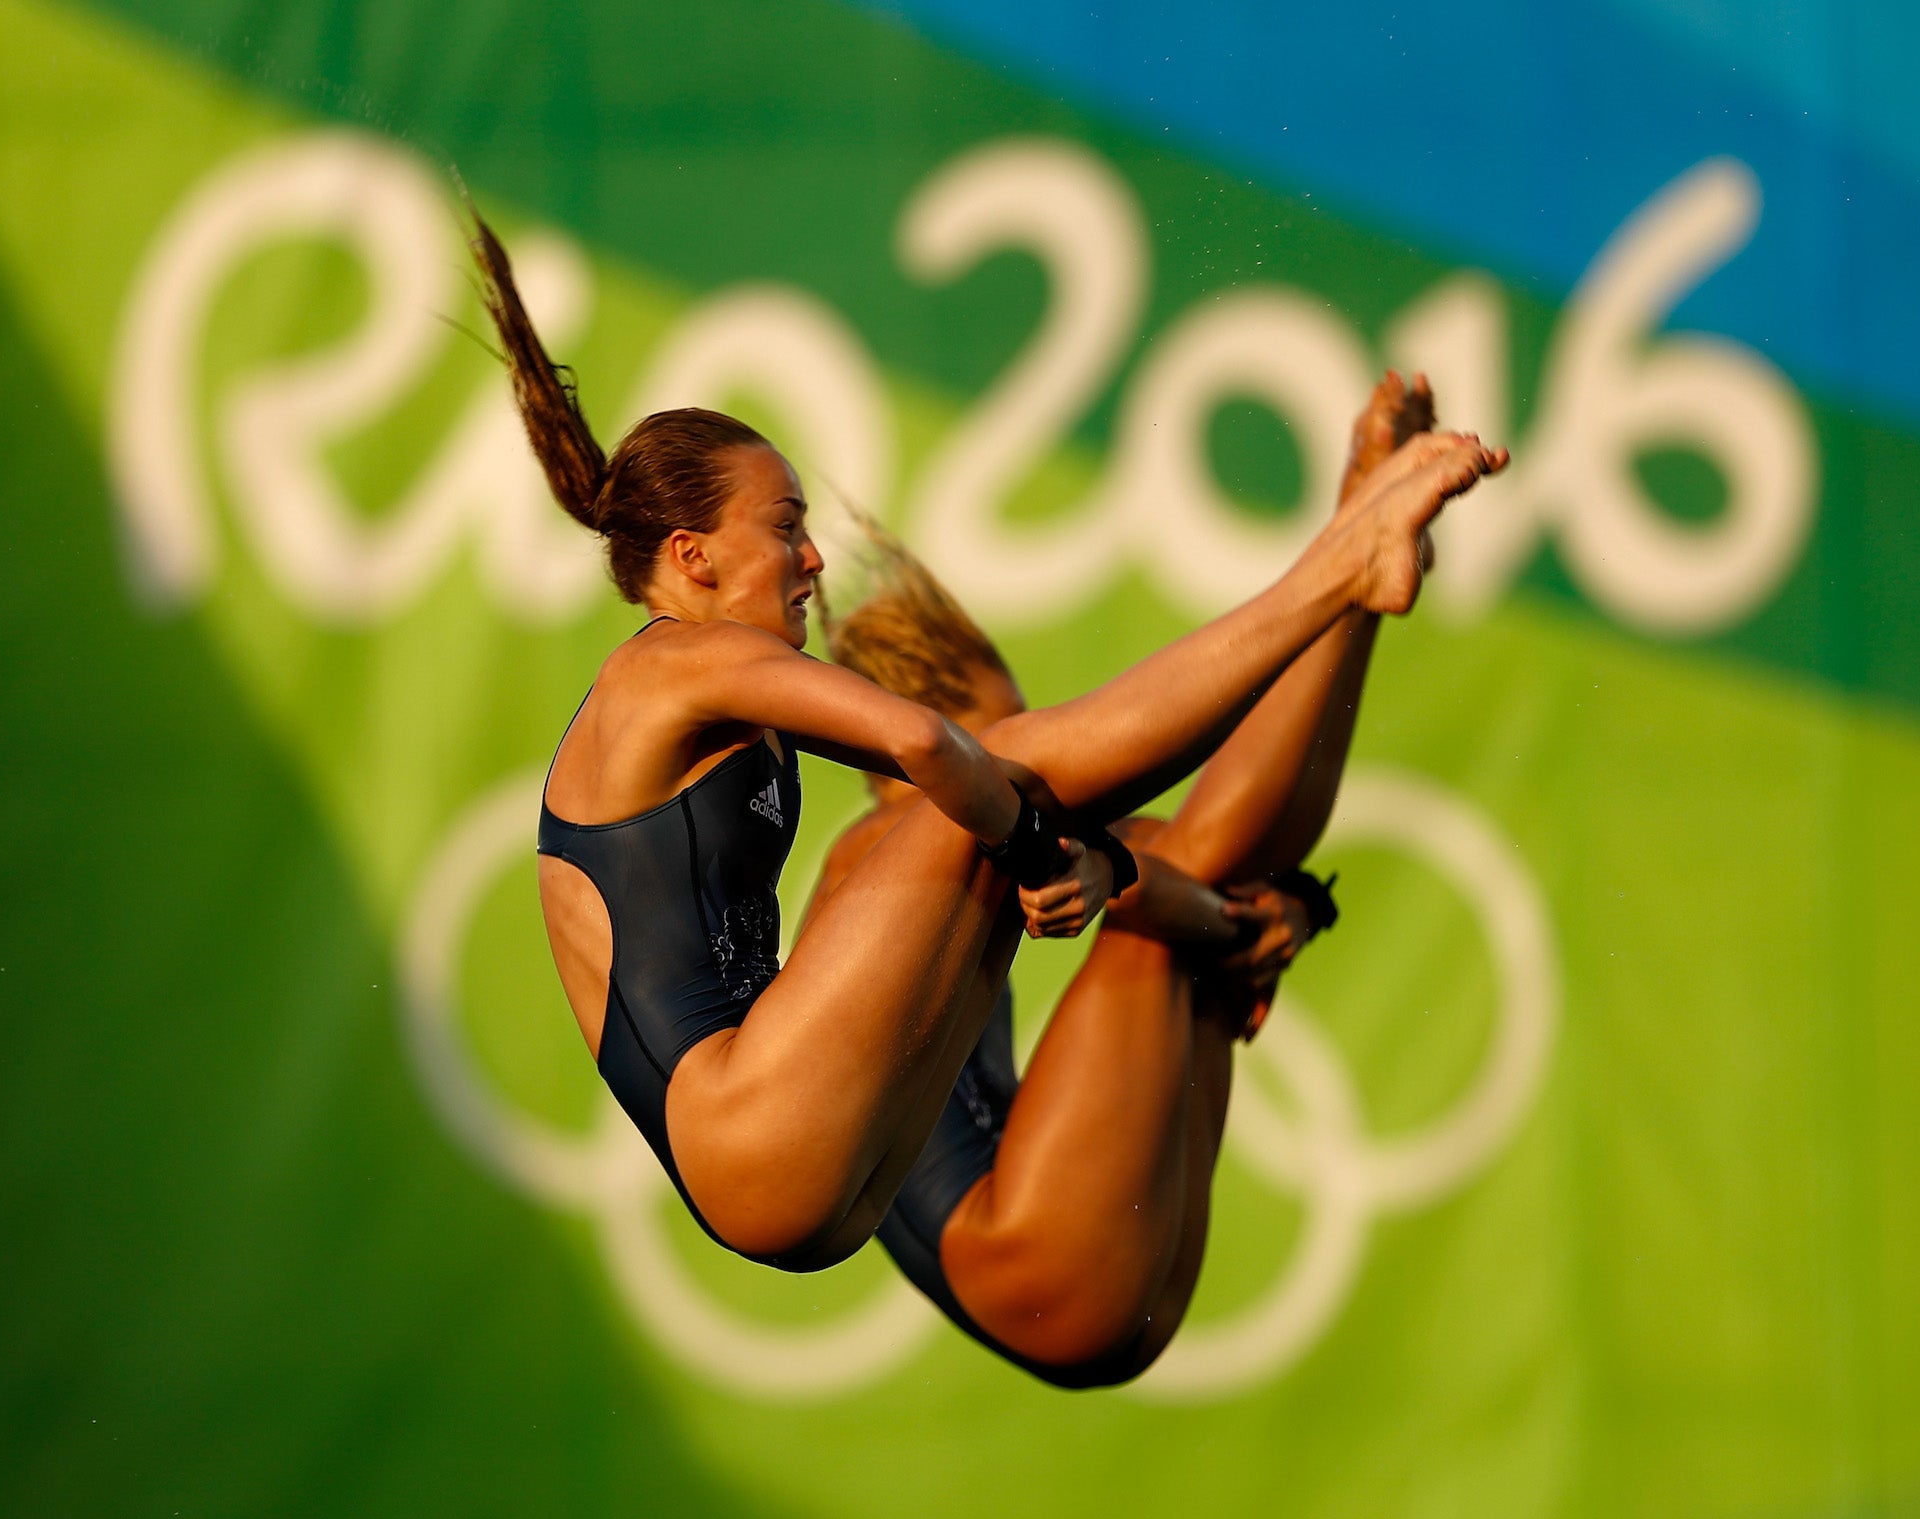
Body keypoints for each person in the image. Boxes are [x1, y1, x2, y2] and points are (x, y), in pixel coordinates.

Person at [473, 213, 1507, 1276]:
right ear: (691, 556)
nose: (813, 557)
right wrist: (1036, 840)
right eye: (783, 525)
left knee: (1025, 804)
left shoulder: (697, 692)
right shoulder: (667, 664)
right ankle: (1339, 570)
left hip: (803, 1182)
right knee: (1001, 775)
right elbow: (922, 738)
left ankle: (1345, 577)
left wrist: (1070, 854)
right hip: (759, 1130)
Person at [810, 373, 1435, 1386]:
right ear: (921, 740)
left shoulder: (935, 837)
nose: (1041, 755)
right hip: (1032, 1250)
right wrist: (1237, 915)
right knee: (1183, 879)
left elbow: (1183, 857)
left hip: (1101, 1279)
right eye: (1009, 739)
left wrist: (1272, 910)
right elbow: (1160, 865)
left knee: (1199, 880)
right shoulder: (872, 854)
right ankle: (1351, 562)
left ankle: (1358, 569)